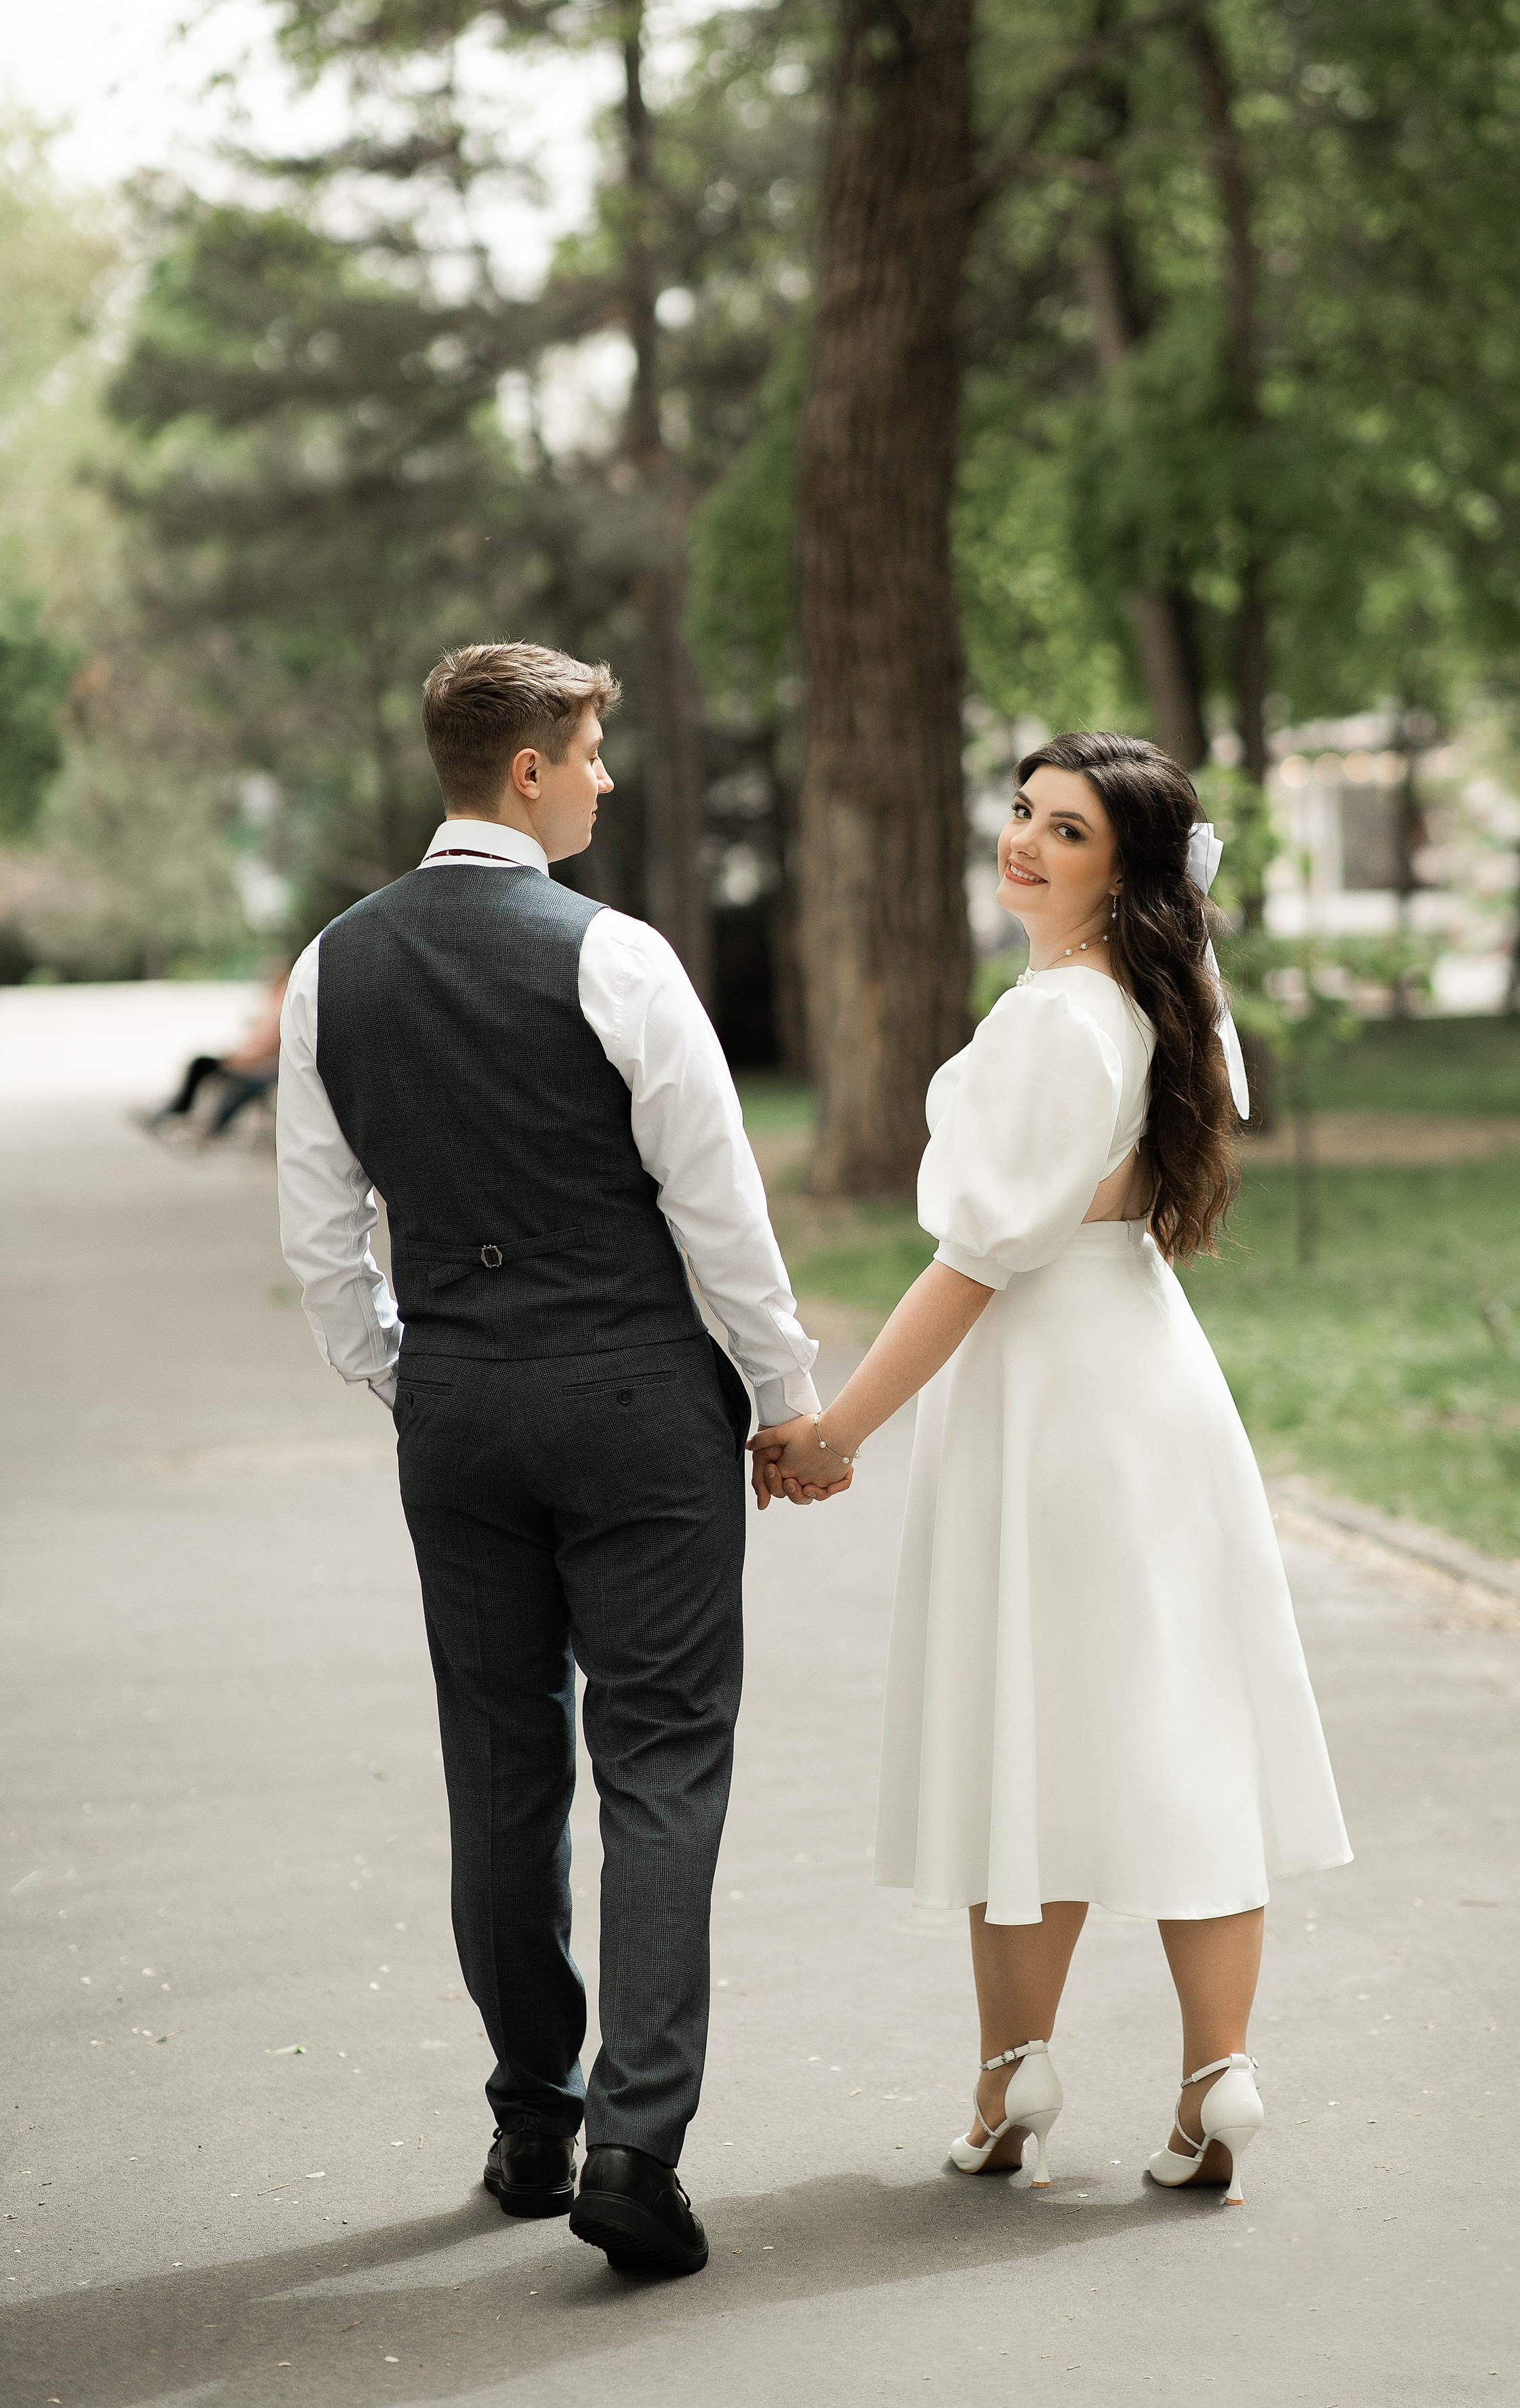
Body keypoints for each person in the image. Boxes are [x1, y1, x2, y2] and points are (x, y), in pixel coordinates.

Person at [276, 642, 835, 2279]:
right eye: (589, 753)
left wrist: (410, 1373)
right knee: (660, 1759)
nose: (603, 776)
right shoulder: (618, 958)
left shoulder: (332, 967)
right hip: (633, 1405)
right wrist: (783, 1396)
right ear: (526, 770)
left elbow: (323, 1242)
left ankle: (534, 2107)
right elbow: (715, 1211)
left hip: (457, 1402)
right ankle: (634, 2149)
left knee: (500, 1760)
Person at [754, 732, 1351, 2202]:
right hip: (1144, 1369)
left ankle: (1009, 2071)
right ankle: (1217, 2078)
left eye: (1064, 831)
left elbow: (972, 1265)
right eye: (1020, 813)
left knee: (1025, 1724)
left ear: (1123, 871)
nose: (1020, 841)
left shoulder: (1052, 1023)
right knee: (1171, 1718)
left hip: (1044, 1390)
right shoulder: (1162, 1004)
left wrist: (839, 1430)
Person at [139, 970, 287, 1142]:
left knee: (205, 1066)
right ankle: (179, 1109)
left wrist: (235, 1060)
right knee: (200, 1063)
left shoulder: (279, 1012)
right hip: (249, 1060)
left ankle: (198, 1121)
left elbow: (264, 1050)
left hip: (256, 1066)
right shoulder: (271, 1009)